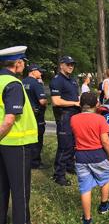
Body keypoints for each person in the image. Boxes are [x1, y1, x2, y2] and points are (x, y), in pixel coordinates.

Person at [0, 46, 38, 224]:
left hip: (3, 144)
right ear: (18, 63)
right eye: (23, 62)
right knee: (20, 192)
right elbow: (9, 120)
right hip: (16, 145)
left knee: (1, 188)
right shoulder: (13, 84)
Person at [70, 92, 109, 224]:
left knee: (85, 188)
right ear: (96, 104)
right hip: (98, 156)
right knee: (105, 179)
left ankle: (87, 219)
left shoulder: (73, 118)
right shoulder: (100, 119)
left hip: (80, 157)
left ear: (80, 104)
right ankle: (103, 206)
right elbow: (105, 141)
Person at [50, 55, 80, 186]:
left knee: (73, 144)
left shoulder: (72, 80)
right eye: (68, 64)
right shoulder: (57, 80)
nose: (71, 66)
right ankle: (58, 175)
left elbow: (76, 97)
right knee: (65, 145)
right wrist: (75, 103)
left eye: (72, 64)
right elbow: (56, 101)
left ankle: (69, 166)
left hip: (74, 115)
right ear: (61, 65)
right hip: (64, 116)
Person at [22, 64, 48, 169]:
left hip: (25, 115)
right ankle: (35, 162)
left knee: (26, 138)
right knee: (37, 138)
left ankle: (26, 159)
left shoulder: (22, 82)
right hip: (37, 115)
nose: (41, 73)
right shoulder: (36, 84)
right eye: (39, 71)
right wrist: (46, 101)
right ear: (33, 71)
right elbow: (42, 101)